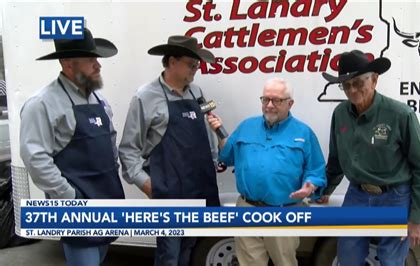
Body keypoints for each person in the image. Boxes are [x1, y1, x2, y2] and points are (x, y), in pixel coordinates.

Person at [319, 50, 420, 266]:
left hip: (395, 198)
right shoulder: (340, 114)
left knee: (391, 261)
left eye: (358, 83)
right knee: (347, 258)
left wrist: (417, 218)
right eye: (346, 85)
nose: (352, 90)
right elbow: (335, 160)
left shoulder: (401, 115)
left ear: (374, 79)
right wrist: (324, 190)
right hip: (357, 196)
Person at [19, 28, 125, 266]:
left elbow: (109, 143)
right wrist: (69, 197)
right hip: (76, 207)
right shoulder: (42, 104)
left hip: (105, 200)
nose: (98, 66)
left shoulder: (99, 100)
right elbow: (36, 159)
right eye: (91, 60)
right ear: (68, 63)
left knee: (99, 257)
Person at [118, 35, 220, 266]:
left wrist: (214, 160)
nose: (196, 69)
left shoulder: (197, 92)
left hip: (199, 187)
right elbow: (128, 149)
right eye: (191, 64)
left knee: (190, 246)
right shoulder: (145, 96)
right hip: (169, 192)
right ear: (172, 62)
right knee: (169, 253)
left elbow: (207, 126)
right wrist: (145, 183)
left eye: (198, 65)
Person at [207, 77, 326, 266]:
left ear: (290, 103)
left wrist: (309, 187)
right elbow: (227, 156)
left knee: (284, 262)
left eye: (276, 100)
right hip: (247, 208)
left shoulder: (304, 133)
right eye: (265, 100)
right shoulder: (247, 126)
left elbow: (316, 170)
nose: (269, 105)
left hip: (284, 211)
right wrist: (219, 133)